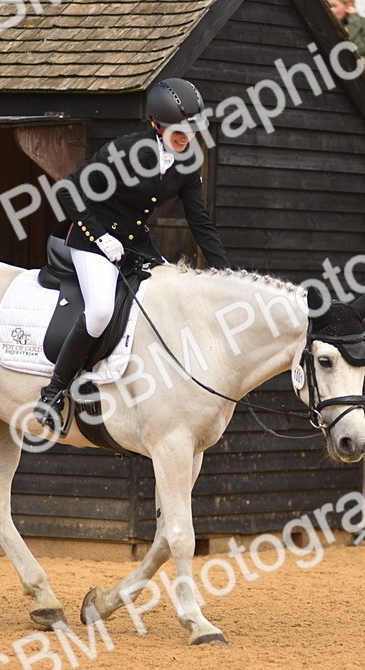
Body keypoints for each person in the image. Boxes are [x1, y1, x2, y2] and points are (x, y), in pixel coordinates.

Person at [33, 78, 231, 427]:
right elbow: (68, 192)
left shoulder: (187, 163)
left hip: (135, 245)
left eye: (192, 131)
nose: (186, 139)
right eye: (177, 132)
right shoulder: (124, 151)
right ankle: (53, 393)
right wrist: (99, 237)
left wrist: (227, 275)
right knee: (99, 311)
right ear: (156, 125)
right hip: (91, 241)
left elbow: (201, 223)